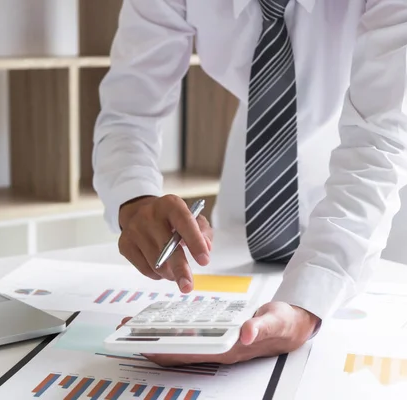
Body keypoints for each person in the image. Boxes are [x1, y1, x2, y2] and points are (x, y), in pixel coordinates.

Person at [92, 0, 407, 366]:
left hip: (367, 208)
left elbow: (378, 140)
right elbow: (129, 114)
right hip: (248, 196)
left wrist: (307, 306)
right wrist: (135, 199)